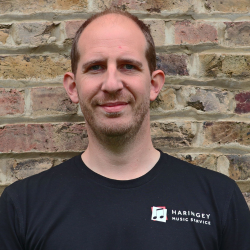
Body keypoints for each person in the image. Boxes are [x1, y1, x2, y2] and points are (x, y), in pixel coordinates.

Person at [0, 8, 250, 250]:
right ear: (73, 87)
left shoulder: (219, 200)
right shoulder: (22, 206)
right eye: (95, 67)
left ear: (153, 85)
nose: (111, 84)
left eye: (128, 66)